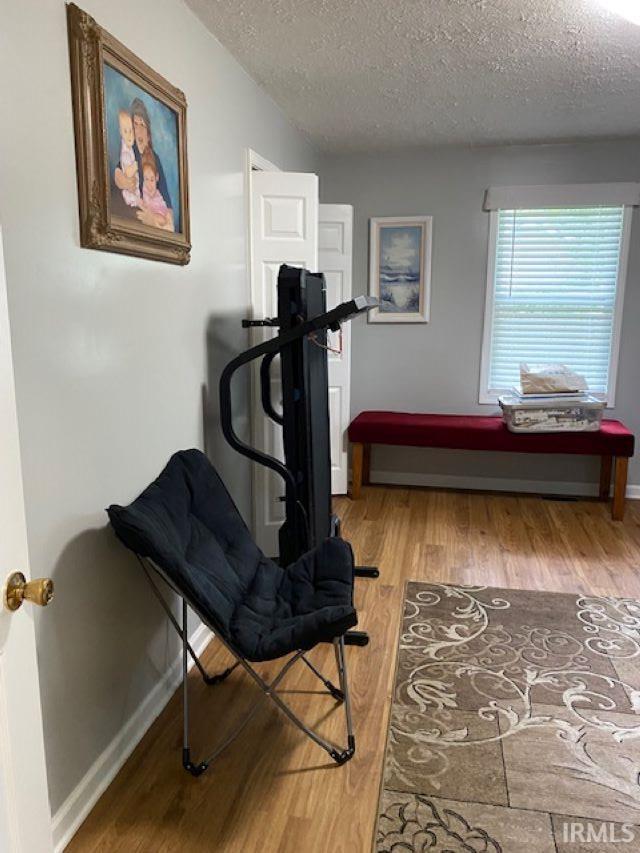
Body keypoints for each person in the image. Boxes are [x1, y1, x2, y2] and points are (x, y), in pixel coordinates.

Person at [113, 97, 175, 231]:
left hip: (151, 219)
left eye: (142, 125)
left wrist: (153, 221)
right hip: (130, 213)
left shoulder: (155, 159)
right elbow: (118, 173)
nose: (139, 130)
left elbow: (168, 208)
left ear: (148, 130)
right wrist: (123, 180)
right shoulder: (130, 152)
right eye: (135, 125)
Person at [138, 150, 172, 230]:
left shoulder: (157, 194)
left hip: (159, 212)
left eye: (152, 180)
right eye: (146, 179)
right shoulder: (144, 188)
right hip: (149, 211)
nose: (149, 184)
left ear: (156, 177)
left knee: (162, 219)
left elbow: (163, 211)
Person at [117, 110, 140, 208]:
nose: (130, 135)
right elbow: (127, 173)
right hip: (131, 193)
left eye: (131, 130)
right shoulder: (125, 153)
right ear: (121, 132)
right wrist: (137, 164)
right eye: (126, 131)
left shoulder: (131, 148)